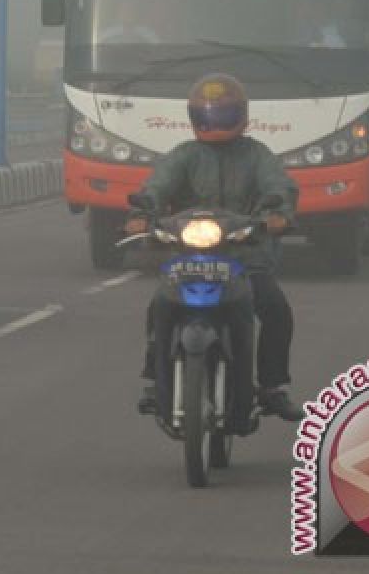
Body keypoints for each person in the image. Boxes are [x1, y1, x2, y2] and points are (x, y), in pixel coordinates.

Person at [127, 73, 304, 422]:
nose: (215, 121)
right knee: (159, 306)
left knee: (276, 311)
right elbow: (157, 185)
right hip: (189, 258)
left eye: (224, 114)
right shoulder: (184, 155)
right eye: (209, 114)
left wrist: (277, 214)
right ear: (194, 116)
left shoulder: (257, 154)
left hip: (246, 257)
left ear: (241, 114)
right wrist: (142, 212)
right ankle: (155, 380)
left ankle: (270, 387)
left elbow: (279, 185)